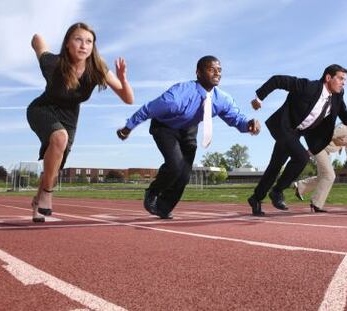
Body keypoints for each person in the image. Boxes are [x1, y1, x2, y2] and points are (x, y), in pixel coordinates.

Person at [117, 55, 260, 219]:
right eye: (211, 69)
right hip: (165, 127)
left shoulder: (222, 99)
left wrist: (248, 124)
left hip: (189, 129)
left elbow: (236, 119)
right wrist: (128, 128)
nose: (217, 73)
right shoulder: (177, 96)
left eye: (219, 70)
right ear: (198, 73)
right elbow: (148, 109)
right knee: (175, 165)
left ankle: (164, 206)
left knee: (184, 174)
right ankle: (153, 192)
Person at [27, 22, 134, 222]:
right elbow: (38, 44)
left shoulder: (97, 68)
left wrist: (123, 79)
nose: (83, 45)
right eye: (78, 39)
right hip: (42, 110)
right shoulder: (54, 63)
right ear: (68, 43)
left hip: (69, 118)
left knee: (55, 168)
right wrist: (37, 37)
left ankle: (37, 201)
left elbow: (128, 99)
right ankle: (48, 194)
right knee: (60, 137)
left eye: (89, 41)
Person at [248, 64, 347, 216]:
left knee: (275, 166)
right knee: (301, 157)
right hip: (284, 127)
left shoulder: (338, 96)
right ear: (328, 78)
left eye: (344, 80)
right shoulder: (308, 86)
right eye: (340, 78)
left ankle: (256, 198)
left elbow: (344, 115)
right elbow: (277, 80)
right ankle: (277, 191)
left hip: (298, 133)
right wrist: (259, 97)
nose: (343, 82)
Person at [294, 123, 347, 212]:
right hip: (320, 149)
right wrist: (310, 151)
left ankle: (300, 186)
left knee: (323, 177)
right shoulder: (343, 127)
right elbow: (327, 135)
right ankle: (316, 203)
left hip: (326, 151)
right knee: (330, 176)